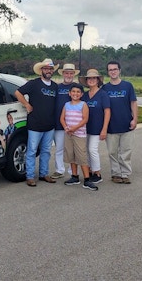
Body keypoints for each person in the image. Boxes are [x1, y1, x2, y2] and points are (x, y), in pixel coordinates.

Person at [15, 58, 58, 187]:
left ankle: (44, 174)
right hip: (35, 125)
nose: (48, 71)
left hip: (49, 125)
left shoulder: (55, 86)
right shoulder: (34, 84)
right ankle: (30, 176)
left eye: (50, 69)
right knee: (32, 151)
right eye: (46, 69)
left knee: (46, 151)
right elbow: (18, 92)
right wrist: (27, 105)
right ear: (41, 71)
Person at [101, 61, 138, 184]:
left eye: (115, 69)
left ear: (119, 70)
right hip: (111, 126)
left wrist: (135, 119)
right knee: (112, 152)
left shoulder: (127, 86)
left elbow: (133, 102)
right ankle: (116, 174)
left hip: (126, 124)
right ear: (108, 72)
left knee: (126, 151)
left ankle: (125, 174)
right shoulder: (105, 88)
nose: (113, 71)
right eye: (110, 70)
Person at [61, 83, 98, 191]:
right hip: (68, 134)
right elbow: (62, 118)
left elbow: (85, 119)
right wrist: (66, 128)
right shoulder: (66, 105)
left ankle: (87, 179)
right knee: (71, 155)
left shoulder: (83, 105)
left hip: (79, 135)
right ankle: (74, 176)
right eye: (73, 92)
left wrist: (74, 128)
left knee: (81, 156)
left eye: (78, 92)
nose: (75, 94)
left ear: (81, 94)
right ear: (69, 93)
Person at [79, 69, 111, 184]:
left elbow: (107, 112)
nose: (91, 80)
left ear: (98, 80)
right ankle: (90, 171)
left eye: (94, 78)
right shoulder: (85, 95)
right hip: (84, 128)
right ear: (86, 81)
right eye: (89, 78)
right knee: (86, 150)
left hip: (97, 128)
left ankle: (97, 172)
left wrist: (104, 128)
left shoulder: (103, 94)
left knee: (93, 150)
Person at [51, 63, 80, 179]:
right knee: (59, 148)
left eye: (71, 73)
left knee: (72, 149)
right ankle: (59, 170)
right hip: (58, 123)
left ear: (74, 74)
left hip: (73, 123)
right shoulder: (57, 87)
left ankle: (72, 171)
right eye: (66, 73)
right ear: (63, 74)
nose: (69, 75)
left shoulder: (77, 88)